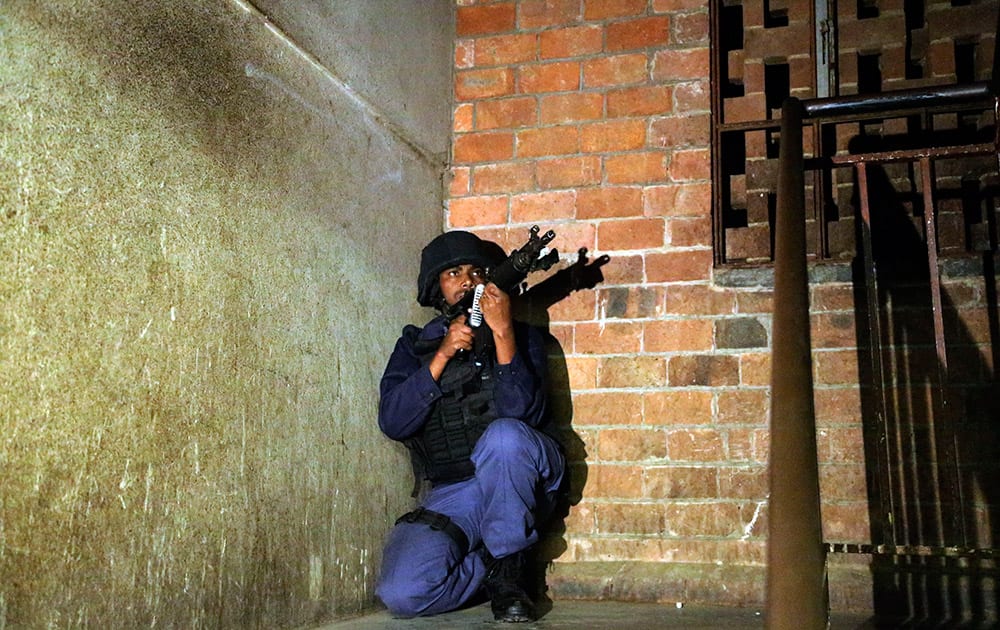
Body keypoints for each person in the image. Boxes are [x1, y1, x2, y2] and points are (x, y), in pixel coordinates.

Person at [375, 230, 565, 622]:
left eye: (477, 271)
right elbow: (393, 421)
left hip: (524, 477)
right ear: (435, 287)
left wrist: (502, 333)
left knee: (504, 437)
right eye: (454, 273)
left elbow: (523, 414)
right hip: (459, 489)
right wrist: (442, 355)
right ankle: (492, 565)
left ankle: (511, 574)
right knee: (403, 593)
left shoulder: (522, 336)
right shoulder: (414, 346)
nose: (467, 280)